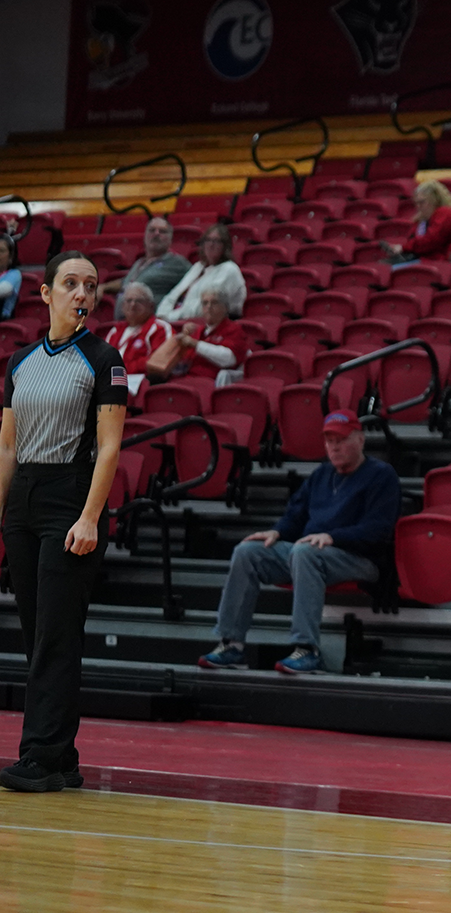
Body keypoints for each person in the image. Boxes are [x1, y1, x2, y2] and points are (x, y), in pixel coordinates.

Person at [0, 249, 126, 791]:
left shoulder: (104, 358)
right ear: (46, 293)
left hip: (70, 496)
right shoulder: (19, 361)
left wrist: (90, 517)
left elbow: (110, 444)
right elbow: (6, 447)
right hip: (23, 497)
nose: (83, 293)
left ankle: (40, 756)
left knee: (53, 633)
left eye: (91, 285)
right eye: (71, 283)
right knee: (41, 635)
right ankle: (63, 754)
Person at [197, 411, 399, 676]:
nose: (334, 446)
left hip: (359, 558)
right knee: (248, 551)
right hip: (312, 553)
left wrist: (334, 537)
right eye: (329, 440)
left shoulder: (381, 475)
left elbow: (379, 530)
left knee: (305, 551)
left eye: (341, 439)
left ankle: (306, 649)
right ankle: (231, 645)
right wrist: (277, 533)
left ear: (360, 440)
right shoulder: (321, 475)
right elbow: (295, 515)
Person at [142, 286, 250, 387]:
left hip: (210, 384)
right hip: (186, 380)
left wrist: (195, 344)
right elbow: (182, 363)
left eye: (214, 303)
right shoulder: (197, 331)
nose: (209, 307)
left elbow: (229, 359)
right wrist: (179, 345)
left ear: (226, 308)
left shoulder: (234, 329)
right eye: (205, 303)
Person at [154, 225, 246, 324]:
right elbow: (173, 295)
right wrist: (161, 315)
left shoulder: (229, 270)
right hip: (176, 320)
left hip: (204, 324)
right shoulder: (198, 267)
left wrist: (169, 318)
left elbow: (204, 308)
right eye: (208, 240)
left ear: (225, 246)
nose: (211, 245)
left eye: (216, 241)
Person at [103, 216, 189, 317]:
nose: (156, 234)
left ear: (171, 238)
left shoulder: (177, 263)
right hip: (126, 325)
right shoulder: (139, 263)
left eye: (162, 231)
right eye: (152, 230)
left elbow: (197, 279)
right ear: (145, 236)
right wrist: (103, 288)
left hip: (151, 325)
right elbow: (125, 282)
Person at [102, 283, 171, 398]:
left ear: (151, 306)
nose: (133, 305)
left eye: (139, 301)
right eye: (129, 301)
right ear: (123, 305)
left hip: (138, 387)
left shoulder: (159, 329)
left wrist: (122, 369)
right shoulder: (115, 331)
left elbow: (157, 364)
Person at [380, 180, 451, 265]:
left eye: (422, 202)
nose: (418, 207)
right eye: (416, 203)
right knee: (383, 267)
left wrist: (403, 248)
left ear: (435, 200)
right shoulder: (421, 220)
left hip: (439, 262)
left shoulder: (446, 213)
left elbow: (431, 241)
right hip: (423, 260)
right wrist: (399, 250)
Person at [0, 234, 18, 320]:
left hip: (4, 322)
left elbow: (4, 290)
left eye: (1, 251)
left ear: (10, 256)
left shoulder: (14, 274)